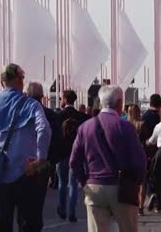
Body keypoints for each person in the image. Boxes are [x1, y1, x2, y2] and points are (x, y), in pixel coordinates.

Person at [0, 63, 52, 232]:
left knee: (1, 224)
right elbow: (44, 129)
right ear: (20, 80)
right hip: (27, 172)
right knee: (29, 224)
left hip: (0, 175)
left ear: (2, 82)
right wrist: (40, 158)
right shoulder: (31, 105)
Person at [70, 85, 146, 232]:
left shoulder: (85, 127)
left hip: (94, 187)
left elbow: (74, 160)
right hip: (122, 187)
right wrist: (137, 182)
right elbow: (139, 160)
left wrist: (84, 182)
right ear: (119, 103)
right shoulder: (125, 127)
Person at [25, 82, 63, 225]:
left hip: (22, 163)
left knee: (23, 204)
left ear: (27, 94)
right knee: (37, 202)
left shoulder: (20, 112)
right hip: (42, 163)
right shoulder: (51, 115)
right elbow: (58, 140)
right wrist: (50, 160)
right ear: (42, 96)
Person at [56, 90, 90, 222]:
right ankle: (72, 212)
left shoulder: (58, 116)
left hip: (62, 153)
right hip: (77, 154)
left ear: (64, 99)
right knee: (73, 183)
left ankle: (61, 208)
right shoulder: (82, 117)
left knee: (62, 182)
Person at [141, 94, 161, 212]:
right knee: (160, 176)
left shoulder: (144, 116)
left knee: (148, 174)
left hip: (147, 148)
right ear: (160, 104)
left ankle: (150, 193)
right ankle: (158, 204)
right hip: (160, 148)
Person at [127, 104, 149, 215]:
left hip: (127, 155)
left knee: (129, 181)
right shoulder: (142, 124)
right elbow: (146, 139)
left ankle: (132, 204)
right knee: (142, 182)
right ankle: (140, 207)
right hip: (140, 153)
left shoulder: (124, 124)